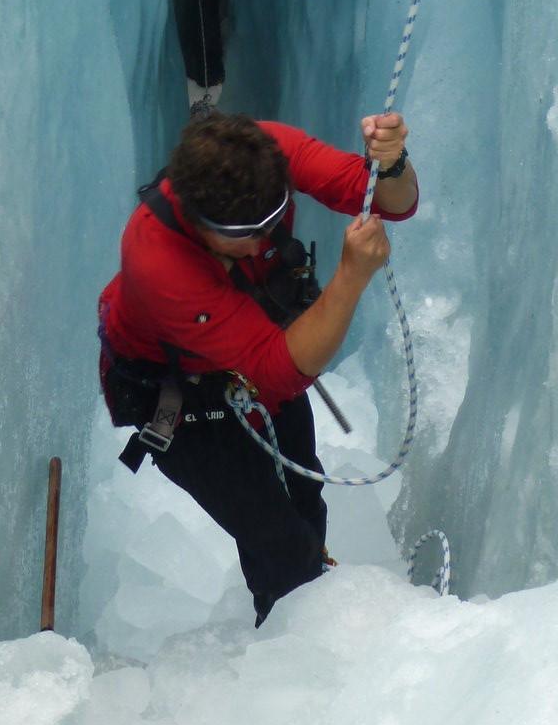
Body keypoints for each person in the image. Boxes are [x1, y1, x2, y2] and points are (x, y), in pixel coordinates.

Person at [99, 108, 419, 625]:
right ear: (200, 223)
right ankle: (292, 659)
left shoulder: (263, 153)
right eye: (248, 234)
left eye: (276, 220)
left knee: (304, 493)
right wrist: (352, 277)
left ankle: (306, 605)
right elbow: (276, 372)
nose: (264, 241)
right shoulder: (159, 263)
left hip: (253, 354)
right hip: (178, 397)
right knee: (278, 543)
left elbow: (391, 199)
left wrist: (392, 161)